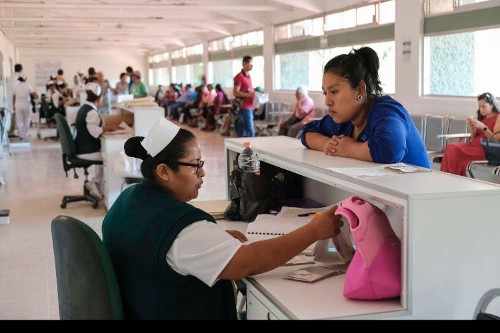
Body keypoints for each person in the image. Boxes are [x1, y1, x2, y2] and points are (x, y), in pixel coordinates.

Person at [101, 117, 343, 320]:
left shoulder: (129, 199)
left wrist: (210, 243)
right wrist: (313, 231)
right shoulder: (182, 228)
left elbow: (154, 246)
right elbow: (247, 263)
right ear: (164, 171)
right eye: (195, 166)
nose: (203, 172)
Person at [301, 47, 430, 168]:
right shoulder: (345, 120)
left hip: (418, 189)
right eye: (325, 93)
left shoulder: (386, 112)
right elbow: (307, 132)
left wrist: (348, 148)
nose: (327, 102)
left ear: (360, 90)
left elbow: (391, 149)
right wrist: (326, 144)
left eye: (334, 92)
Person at [74, 82, 122, 199]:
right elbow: (95, 132)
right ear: (99, 98)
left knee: (107, 155)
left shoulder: (84, 108)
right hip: (87, 151)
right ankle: (96, 183)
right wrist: (110, 128)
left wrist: (108, 128)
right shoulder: (91, 112)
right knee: (112, 157)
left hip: (82, 147)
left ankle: (96, 183)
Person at [440, 92, 500, 176]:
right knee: (451, 148)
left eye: (484, 106)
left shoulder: (498, 117)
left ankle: (450, 177)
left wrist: (483, 127)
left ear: (492, 105)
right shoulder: (482, 118)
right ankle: (449, 177)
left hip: (486, 149)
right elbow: (473, 139)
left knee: (452, 148)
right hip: (473, 145)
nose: (481, 109)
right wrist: (473, 129)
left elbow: (496, 139)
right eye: (479, 107)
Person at [233, 55, 256, 137]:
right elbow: (236, 92)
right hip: (244, 107)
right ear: (244, 64)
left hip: (250, 106)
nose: (252, 65)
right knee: (250, 131)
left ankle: (245, 149)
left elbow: (247, 89)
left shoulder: (248, 76)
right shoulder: (239, 77)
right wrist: (250, 95)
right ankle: (249, 148)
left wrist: (255, 91)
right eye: (250, 63)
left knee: (245, 131)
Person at [12, 74, 37, 140]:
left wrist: (13, 105)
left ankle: (21, 135)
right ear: (25, 79)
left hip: (18, 104)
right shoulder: (28, 85)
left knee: (19, 120)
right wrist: (36, 96)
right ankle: (25, 133)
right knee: (27, 119)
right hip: (26, 103)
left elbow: (14, 97)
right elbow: (34, 94)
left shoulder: (16, 86)